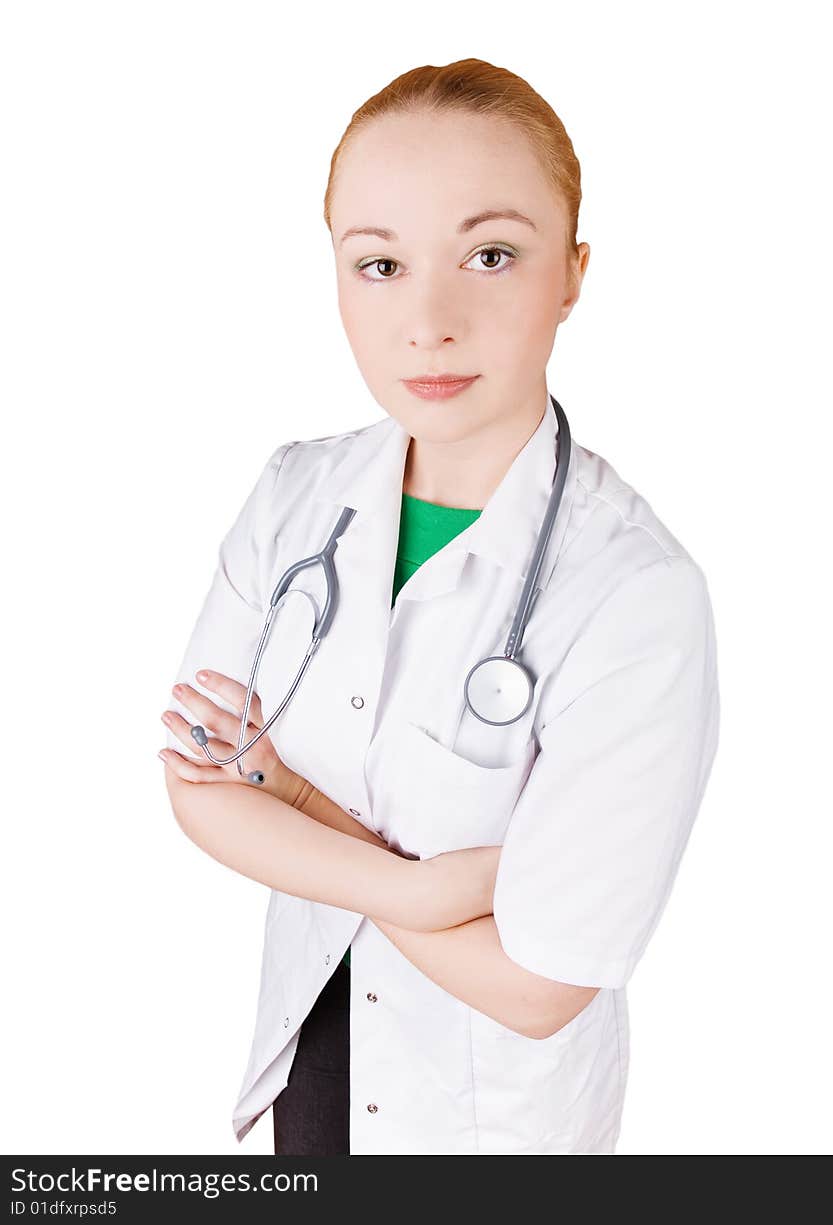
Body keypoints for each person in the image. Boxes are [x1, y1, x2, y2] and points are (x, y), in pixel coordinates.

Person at [159, 57, 720, 1156]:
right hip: (308, 1072)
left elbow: (541, 984)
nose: (429, 319)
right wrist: (432, 890)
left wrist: (295, 804)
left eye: (491, 255)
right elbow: (198, 789)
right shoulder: (293, 497)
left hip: (485, 1129)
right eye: (380, 264)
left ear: (571, 273)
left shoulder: (635, 596)